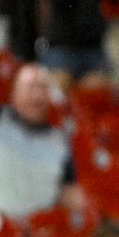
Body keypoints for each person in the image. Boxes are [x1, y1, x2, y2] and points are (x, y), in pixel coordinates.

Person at [0, 64, 86, 218]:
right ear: (14, 94)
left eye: (43, 88)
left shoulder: (61, 141)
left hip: (42, 230)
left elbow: (70, 190)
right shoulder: (2, 121)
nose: (37, 96)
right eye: (30, 88)